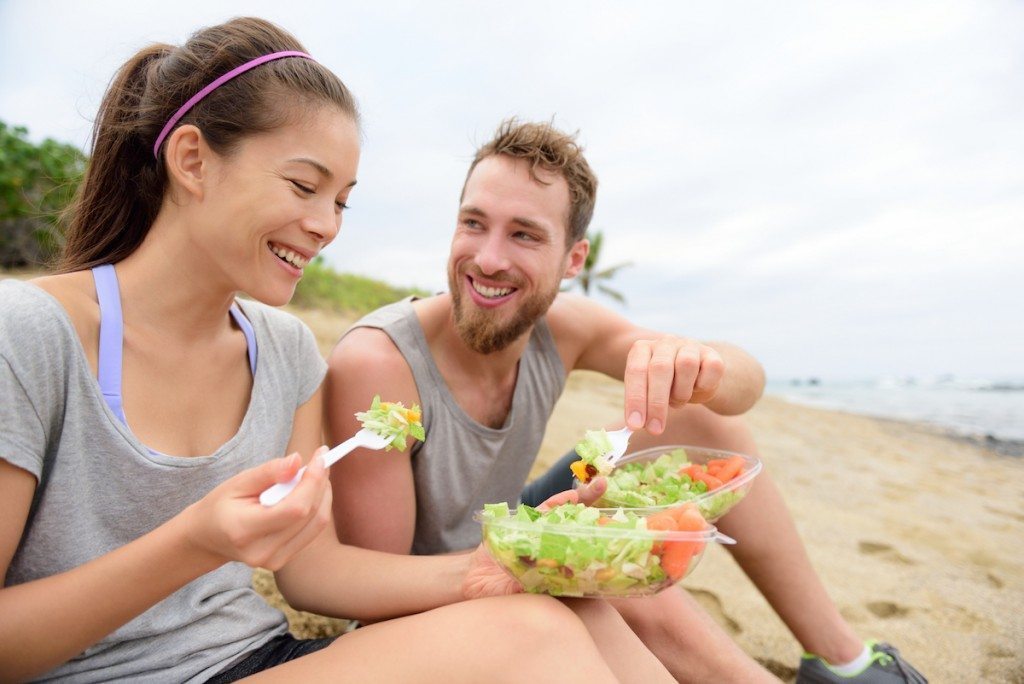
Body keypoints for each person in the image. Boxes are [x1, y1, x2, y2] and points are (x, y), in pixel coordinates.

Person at [0, 20, 674, 683]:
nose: (325, 226)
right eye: (303, 186)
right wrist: (193, 543)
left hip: (262, 655)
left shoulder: (285, 351)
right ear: (192, 160)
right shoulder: (29, 334)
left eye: (342, 202)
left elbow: (313, 572)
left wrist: (499, 562)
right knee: (535, 640)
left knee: (566, 612)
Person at [326, 119, 928, 683]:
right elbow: (377, 594)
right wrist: (556, 557)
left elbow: (747, 385)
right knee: (619, 584)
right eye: (474, 223)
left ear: (573, 261)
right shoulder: (381, 364)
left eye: (525, 235)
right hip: (434, 590)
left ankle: (843, 662)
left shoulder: (565, 328)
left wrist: (701, 364)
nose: (488, 258)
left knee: (692, 408)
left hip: (517, 520)